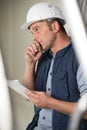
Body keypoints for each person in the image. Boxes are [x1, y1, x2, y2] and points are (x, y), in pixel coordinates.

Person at [21, 2, 87, 130]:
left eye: (37, 29)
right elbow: (27, 96)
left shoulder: (81, 55)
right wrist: (30, 64)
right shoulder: (43, 57)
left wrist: (50, 103)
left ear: (55, 26)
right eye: (32, 33)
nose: (34, 37)